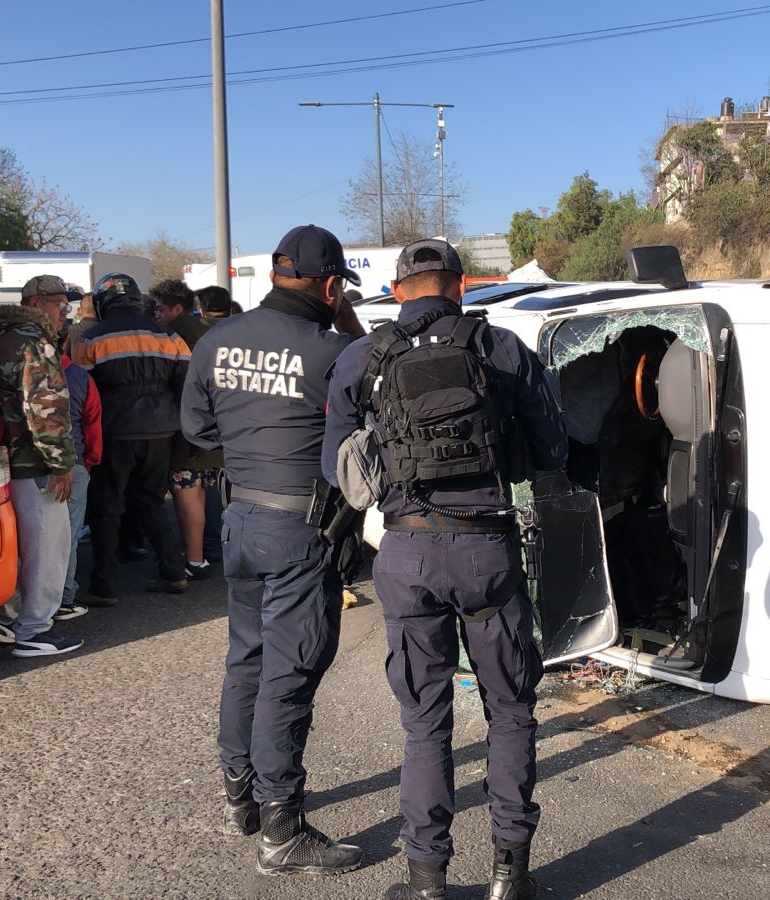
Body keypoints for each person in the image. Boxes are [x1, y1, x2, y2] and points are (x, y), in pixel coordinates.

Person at [322, 239, 567, 900]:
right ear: (460, 287)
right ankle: (508, 877)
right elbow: (551, 447)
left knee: (425, 718)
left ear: (400, 290)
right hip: (487, 550)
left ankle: (426, 879)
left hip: (406, 553)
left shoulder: (362, 356)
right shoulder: (501, 348)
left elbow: (336, 469)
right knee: (511, 709)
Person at [180, 224, 367, 877]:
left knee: (247, 660)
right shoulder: (337, 350)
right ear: (330, 285)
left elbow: (197, 427)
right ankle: (282, 830)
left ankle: (241, 797)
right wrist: (351, 321)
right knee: (289, 676)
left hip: (240, 521)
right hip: (299, 532)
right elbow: (382, 388)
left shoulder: (218, 338)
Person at [0, 274, 85, 658]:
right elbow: (47, 411)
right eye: (59, 302)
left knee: (16, 547)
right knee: (46, 548)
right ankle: (35, 630)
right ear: (36, 303)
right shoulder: (34, 344)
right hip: (35, 462)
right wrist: (62, 465)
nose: (65, 310)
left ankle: (2, 619)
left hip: (1, 460)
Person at [74, 272, 192, 604]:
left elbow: (82, 394)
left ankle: (105, 585)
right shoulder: (170, 337)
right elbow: (186, 387)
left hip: (114, 433)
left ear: (102, 302)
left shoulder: (91, 338)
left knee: (107, 507)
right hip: (160, 432)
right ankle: (174, 571)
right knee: (152, 502)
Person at [153, 278, 224, 581]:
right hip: (216, 424)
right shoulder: (214, 332)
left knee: (186, 491)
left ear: (176, 308)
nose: (156, 315)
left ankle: (194, 559)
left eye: (159, 309)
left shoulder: (171, 337)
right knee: (205, 490)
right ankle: (203, 553)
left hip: (186, 427)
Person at [58, 324, 103, 619]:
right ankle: (64, 597)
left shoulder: (13, 370)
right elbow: (92, 424)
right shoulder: (78, 375)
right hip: (72, 462)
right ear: (65, 342)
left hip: (23, 466)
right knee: (68, 535)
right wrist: (90, 462)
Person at [195, 284, 240, 564]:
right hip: (242, 419)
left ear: (201, 307)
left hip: (214, 420)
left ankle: (214, 544)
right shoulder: (245, 331)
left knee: (212, 486)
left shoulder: (197, 335)